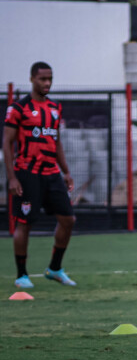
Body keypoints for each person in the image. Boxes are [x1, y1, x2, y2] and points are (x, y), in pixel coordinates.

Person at [4, 61, 77, 289]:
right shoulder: (19, 108)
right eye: (42, 79)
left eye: (50, 79)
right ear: (32, 79)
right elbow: (6, 143)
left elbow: (56, 142)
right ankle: (22, 275)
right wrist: (12, 177)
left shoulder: (55, 108)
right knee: (25, 223)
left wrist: (65, 171)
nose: (47, 83)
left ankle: (55, 269)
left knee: (68, 220)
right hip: (27, 173)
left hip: (52, 173)